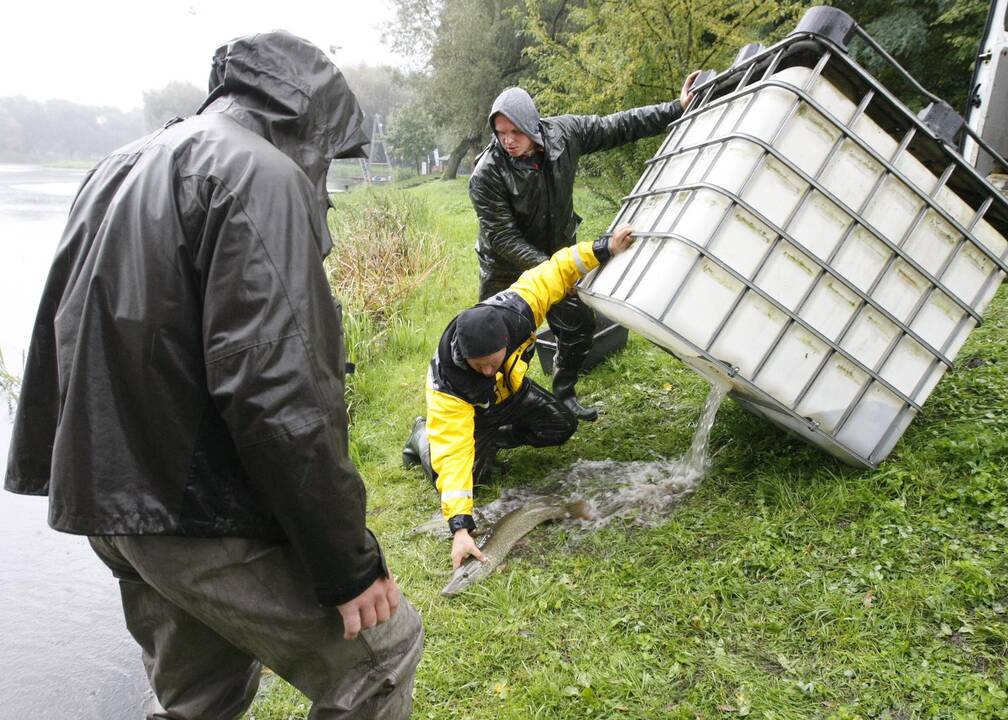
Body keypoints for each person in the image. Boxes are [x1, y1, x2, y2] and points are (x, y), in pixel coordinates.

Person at [4, 32, 422, 720]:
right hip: (191, 502)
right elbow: (279, 396)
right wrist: (348, 565)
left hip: (112, 501)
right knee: (381, 655)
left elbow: (64, 329)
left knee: (201, 697)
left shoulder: (120, 163)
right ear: (311, 118)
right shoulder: (259, 174)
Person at [469, 72, 700, 421]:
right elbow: (502, 238)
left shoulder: (565, 134)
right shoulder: (487, 174)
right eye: (501, 134)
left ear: (532, 126)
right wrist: (556, 270)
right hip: (507, 267)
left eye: (515, 132)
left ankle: (563, 395)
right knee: (498, 346)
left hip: (558, 250)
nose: (508, 141)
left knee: (578, 326)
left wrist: (676, 107)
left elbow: (617, 126)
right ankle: (494, 418)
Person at [403, 226, 637, 569]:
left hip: (510, 394)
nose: (486, 371)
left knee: (560, 427)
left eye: (493, 362)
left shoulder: (518, 310)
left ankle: (493, 440)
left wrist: (606, 247)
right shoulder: (448, 387)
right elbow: (454, 457)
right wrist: (461, 528)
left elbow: (557, 269)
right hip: (473, 412)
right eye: (479, 366)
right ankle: (422, 436)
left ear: (505, 338)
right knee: (465, 475)